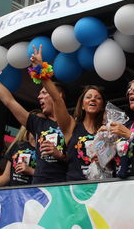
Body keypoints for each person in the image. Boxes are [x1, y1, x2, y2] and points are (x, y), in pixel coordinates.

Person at [0, 58, 67, 184]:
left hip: (63, 188)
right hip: (38, 187)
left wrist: (60, 155)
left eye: (44, 92)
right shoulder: (38, 124)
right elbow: (9, 101)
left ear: (58, 95)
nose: (39, 96)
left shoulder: (72, 123)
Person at [29, 45, 106, 181]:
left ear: (101, 107)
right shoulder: (71, 126)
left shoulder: (106, 131)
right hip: (73, 189)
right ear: (82, 105)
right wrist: (40, 68)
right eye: (88, 97)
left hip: (101, 187)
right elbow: (57, 99)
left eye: (98, 98)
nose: (93, 99)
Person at [0, 126, 37, 195]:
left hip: (33, 195)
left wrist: (31, 171)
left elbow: (49, 176)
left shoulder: (43, 147)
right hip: (14, 195)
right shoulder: (18, 145)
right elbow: (6, 176)